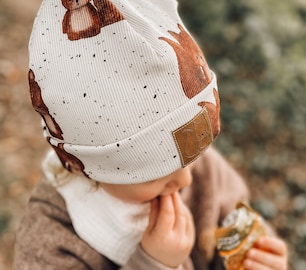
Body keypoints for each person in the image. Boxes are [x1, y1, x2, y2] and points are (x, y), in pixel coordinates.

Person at [13, 0, 287, 269]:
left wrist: (259, 255)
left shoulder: (198, 165)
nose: (185, 179)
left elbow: (237, 217)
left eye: (193, 152)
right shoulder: (51, 239)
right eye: (157, 173)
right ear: (100, 170)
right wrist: (150, 263)